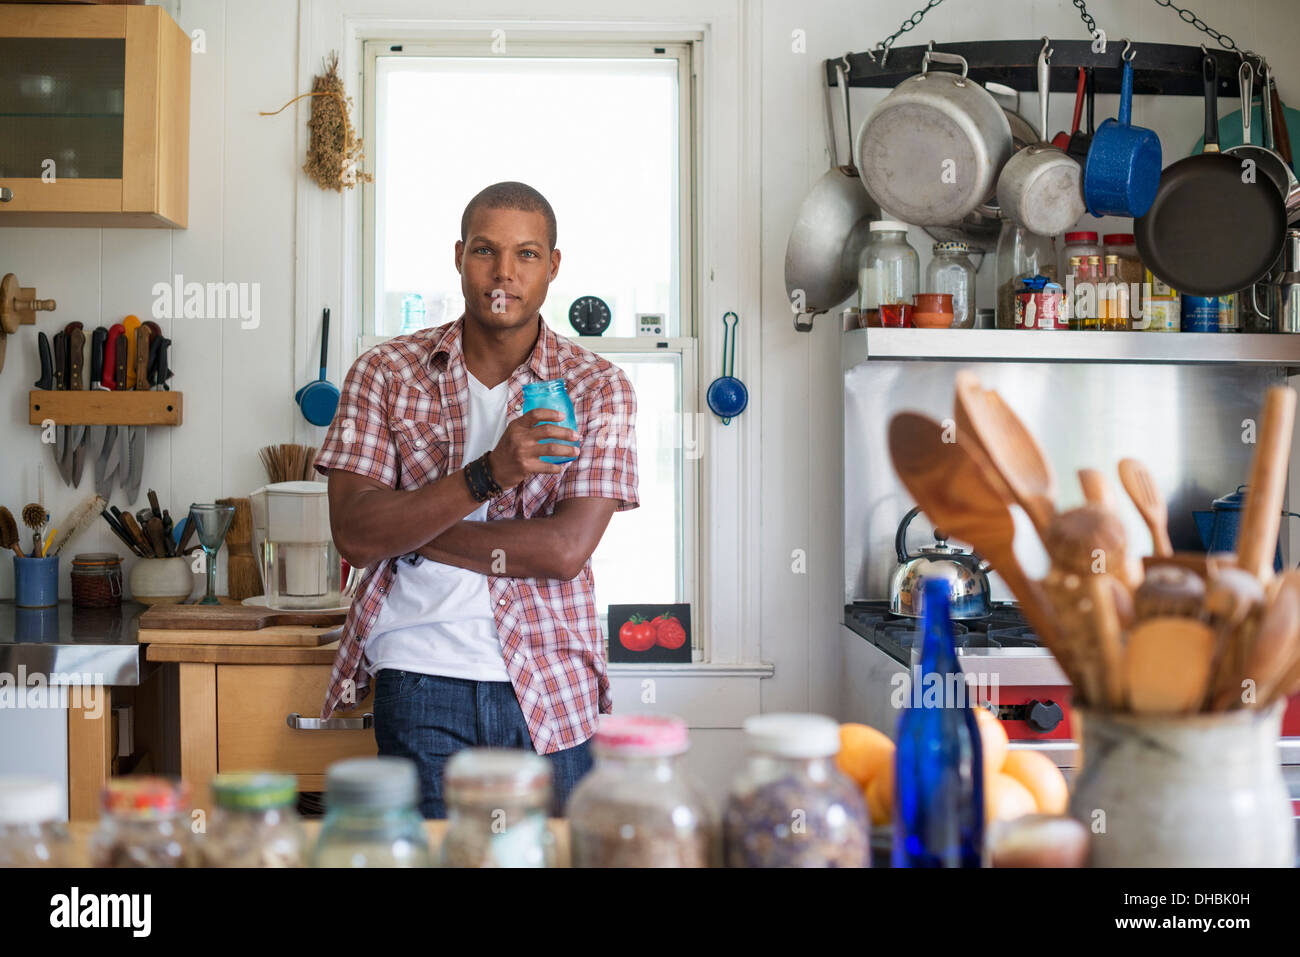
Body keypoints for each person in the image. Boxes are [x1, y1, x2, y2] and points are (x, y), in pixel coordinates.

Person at [313, 181, 639, 817]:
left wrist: (408, 525)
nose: (504, 273)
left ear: (553, 265)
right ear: (460, 256)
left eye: (527, 254)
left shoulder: (598, 387)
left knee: (556, 860)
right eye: (486, 251)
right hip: (420, 674)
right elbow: (355, 534)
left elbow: (563, 551)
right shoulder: (385, 373)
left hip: (553, 680)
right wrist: (488, 473)